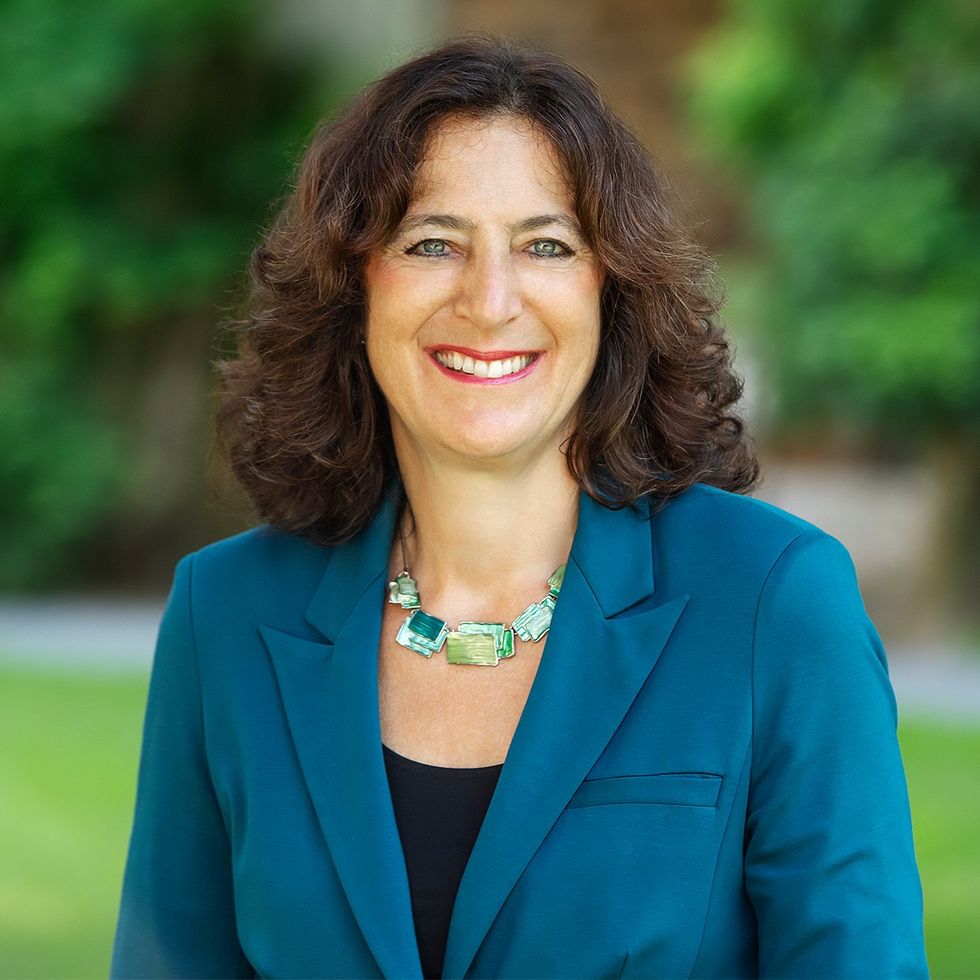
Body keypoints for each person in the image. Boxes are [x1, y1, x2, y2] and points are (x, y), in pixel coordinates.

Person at [110, 34, 929, 980]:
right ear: (355, 284)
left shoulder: (774, 602)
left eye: (545, 244)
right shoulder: (226, 613)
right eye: (432, 243)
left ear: (608, 287)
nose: (490, 300)